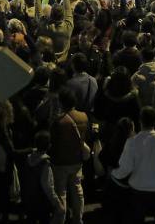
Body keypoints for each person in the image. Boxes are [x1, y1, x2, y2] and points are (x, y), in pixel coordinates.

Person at [111, 106, 155, 224]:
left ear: (140, 121)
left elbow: (126, 168)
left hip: (138, 190)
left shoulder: (132, 142)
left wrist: (114, 174)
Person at [50, 89, 89, 224]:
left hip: (61, 162)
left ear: (62, 102)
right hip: (77, 160)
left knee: (61, 192)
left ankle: (61, 218)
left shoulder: (59, 121)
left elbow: (53, 142)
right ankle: (78, 219)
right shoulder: (84, 116)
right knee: (77, 190)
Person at [19, 130, 66, 224]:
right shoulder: (45, 164)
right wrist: (58, 204)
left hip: (29, 201)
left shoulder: (28, 159)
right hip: (42, 203)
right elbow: (48, 187)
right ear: (49, 146)